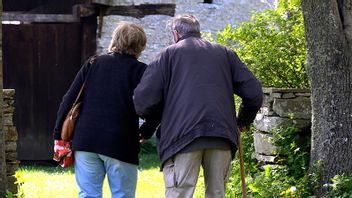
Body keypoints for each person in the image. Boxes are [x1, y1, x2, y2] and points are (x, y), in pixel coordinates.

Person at [133, 14, 263, 198]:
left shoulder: (166, 55)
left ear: (176, 34)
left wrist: (153, 120)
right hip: (221, 135)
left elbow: (143, 102)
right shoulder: (225, 53)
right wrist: (243, 120)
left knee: (180, 194)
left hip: (182, 137)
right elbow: (254, 93)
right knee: (217, 193)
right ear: (198, 32)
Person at [53, 22, 155, 198]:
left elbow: (68, 100)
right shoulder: (142, 71)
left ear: (115, 39)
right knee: (122, 195)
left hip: (86, 140)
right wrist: (147, 129)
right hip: (120, 142)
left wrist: (58, 137)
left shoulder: (93, 63)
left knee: (88, 194)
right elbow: (155, 104)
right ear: (141, 45)